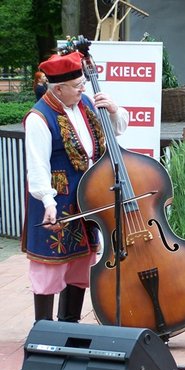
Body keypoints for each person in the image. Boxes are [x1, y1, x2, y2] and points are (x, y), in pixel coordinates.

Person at [22, 51, 129, 324]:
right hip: (55, 200)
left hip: (85, 198)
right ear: (58, 89)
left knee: (81, 261)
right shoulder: (39, 117)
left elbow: (117, 130)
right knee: (49, 265)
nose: (84, 89)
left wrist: (114, 110)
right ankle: (43, 328)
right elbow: (37, 166)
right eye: (78, 85)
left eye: (83, 83)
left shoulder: (87, 104)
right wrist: (48, 201)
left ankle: (69, 323)